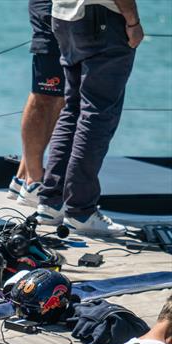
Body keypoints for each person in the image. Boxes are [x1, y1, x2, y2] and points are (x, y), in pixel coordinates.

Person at [35, 0, 144, 236]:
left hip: (63, 16)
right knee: (97, 114)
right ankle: (80, 211)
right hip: (102, 17)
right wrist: (133, 21)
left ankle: (51, 203)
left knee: (72, 108)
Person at [8, 0, 65, 207]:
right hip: (53, 8)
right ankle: (34, 181)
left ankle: (24, 176)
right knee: (46, 92)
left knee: (61, 96)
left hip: (77, 11)